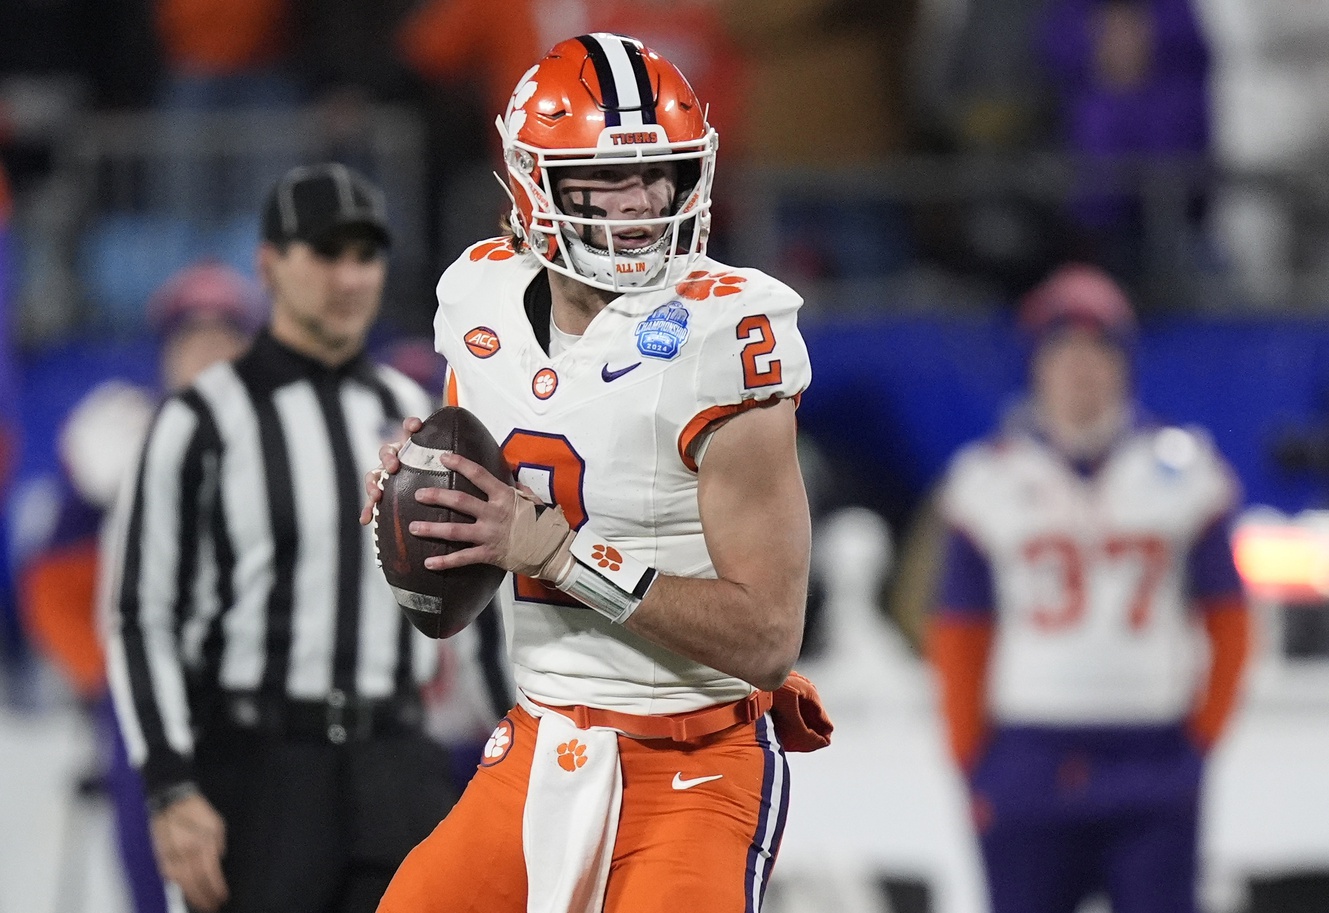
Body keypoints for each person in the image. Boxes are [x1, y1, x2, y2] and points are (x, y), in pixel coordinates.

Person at [362, 33, 832, 913]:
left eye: (660, 173)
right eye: (608, 177)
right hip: (541, 737)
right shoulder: (479, 297)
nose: (643, 202)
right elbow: (485, 465)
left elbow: (768, 637)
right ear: (533, 181)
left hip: (692, 759)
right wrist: (423, 482)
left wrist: (564, 556)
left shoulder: (726, 333)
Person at [105, 163, 461, 913]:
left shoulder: (411, 409)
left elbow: (473, 599)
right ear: (268, 264)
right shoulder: (202, 417)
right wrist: (171, 784)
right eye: (325, 253)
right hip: (258, 772)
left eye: (365, 255)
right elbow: (141, 612)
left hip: (396, 761)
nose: (349, 276)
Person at [927, 262, 1251, 913]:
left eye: (1098, 349)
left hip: (1151, 749)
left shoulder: (1185, 470)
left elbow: (1230, 620)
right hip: (1028, 751)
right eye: (1063, 349)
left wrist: (1200, 737)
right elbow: (957, 631)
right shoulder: (985, 479)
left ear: (1125, 362)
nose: (1081, 368)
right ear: (1035, 363)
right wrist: (972, 758)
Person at [21, 260, 262, 913]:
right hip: (145, 707)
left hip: (259, 702)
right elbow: (51, 576)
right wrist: (100, 669)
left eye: (226, 334)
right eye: (194, 335)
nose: (210, 349)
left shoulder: (286, 440)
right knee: (156, 884)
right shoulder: (118, 434)